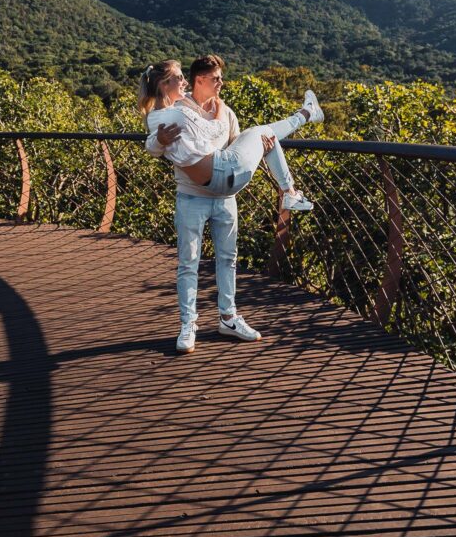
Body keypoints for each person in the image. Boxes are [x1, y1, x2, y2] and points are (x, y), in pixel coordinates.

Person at [139, 57, 324, 353]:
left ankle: (229, 318)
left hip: (225, 191)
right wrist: (158, 142)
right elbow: (151, 142)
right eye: (215, 79)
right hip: (193, 196)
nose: (220, 83)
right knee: (189, 262)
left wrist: (259, 146)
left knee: (228, 259)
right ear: (198, 81)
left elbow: (237, 146)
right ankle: (188, 325)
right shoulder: (177, 110)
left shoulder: (226, 112)